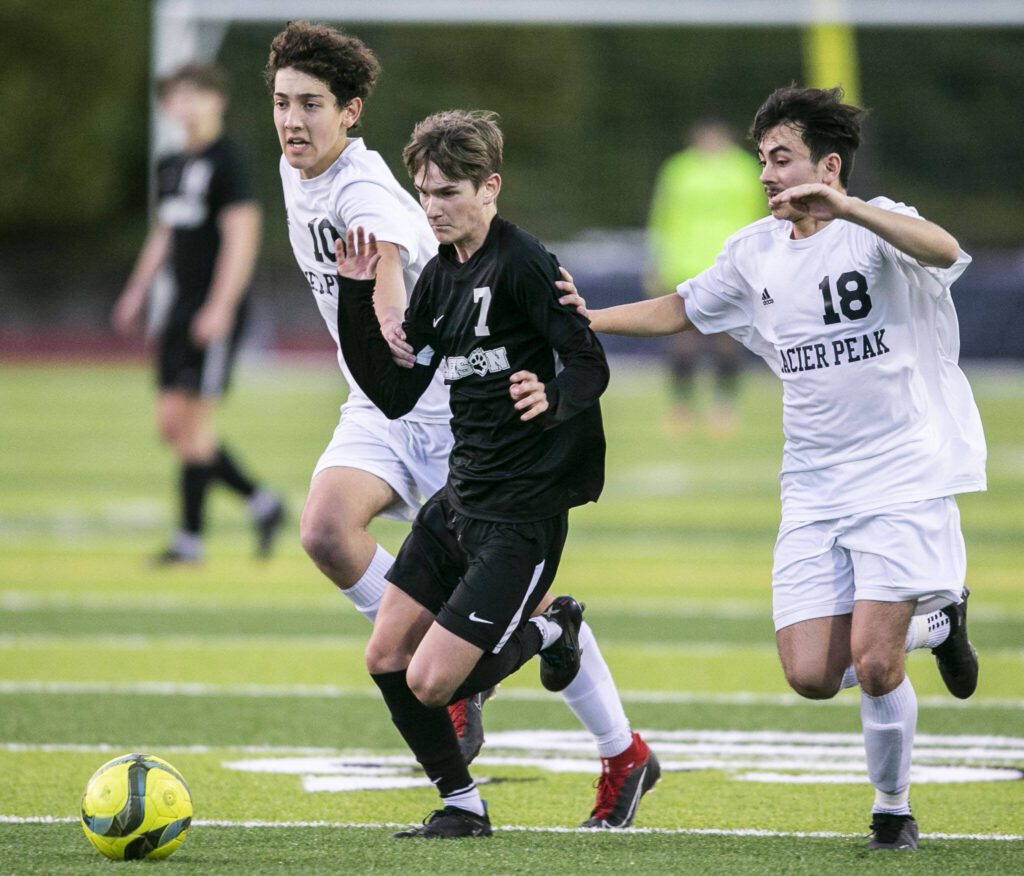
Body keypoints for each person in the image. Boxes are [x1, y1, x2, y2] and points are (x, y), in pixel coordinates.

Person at [561, 86, 982, 851]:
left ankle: (892, 810)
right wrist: (586, 320)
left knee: (876, 663)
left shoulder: (876, 225)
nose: (766, 174)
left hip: (900, 472)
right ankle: (941, 619)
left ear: (827, 164)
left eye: (780, 158)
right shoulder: (753, 250)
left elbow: (945, 251)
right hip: (814, 481)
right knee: (811, 673)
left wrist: (848, 208)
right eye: (762, 160)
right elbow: (682, 307)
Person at [266, 22, 658, 832]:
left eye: (310, 105)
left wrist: (387, 290)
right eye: (281, 103)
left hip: (463, 419)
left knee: (515, 599)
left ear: (351, 113)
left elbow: (414, 248)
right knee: (325, 530)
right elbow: (393, 356)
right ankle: (449, 680)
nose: (292, 121)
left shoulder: (378, 203)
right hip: (386, 404)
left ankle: (618, 750)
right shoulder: (293, 167)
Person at [112, 63, 284, 564]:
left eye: (195, 95)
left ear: (217, 101)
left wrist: (220, 306)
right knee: (171, 424)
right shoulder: (170, 163)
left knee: (194, 427)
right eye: (176, 96)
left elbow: (242, 235)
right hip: (178, 308)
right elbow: (165, 232)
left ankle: (190, 540)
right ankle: (261, 501)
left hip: (212, 308)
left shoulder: (228, 160)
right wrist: (137, 290)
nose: (184, 105)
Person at [646, 118, 765, 437]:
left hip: (731, 267)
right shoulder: (678, 169)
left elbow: (759, 218)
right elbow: (662, 216)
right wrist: (657, 262)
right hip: (684, 264)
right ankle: (681, 407)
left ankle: (724, 406)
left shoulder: (744, 170)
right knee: (682, 339)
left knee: (728, 338)